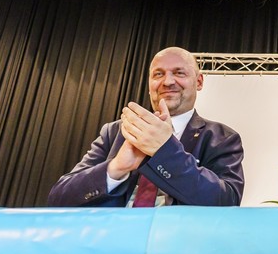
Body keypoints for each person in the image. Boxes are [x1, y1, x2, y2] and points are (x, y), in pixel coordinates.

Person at [48, 46, 244, 207]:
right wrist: (116, 167)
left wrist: (165, 150)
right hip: (111, 243)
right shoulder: (115, 132)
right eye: (158, 74)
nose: (167, 82)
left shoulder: (222, 137)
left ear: (198, 82)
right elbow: (59, 199)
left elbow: (227, 201)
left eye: (179, 73)